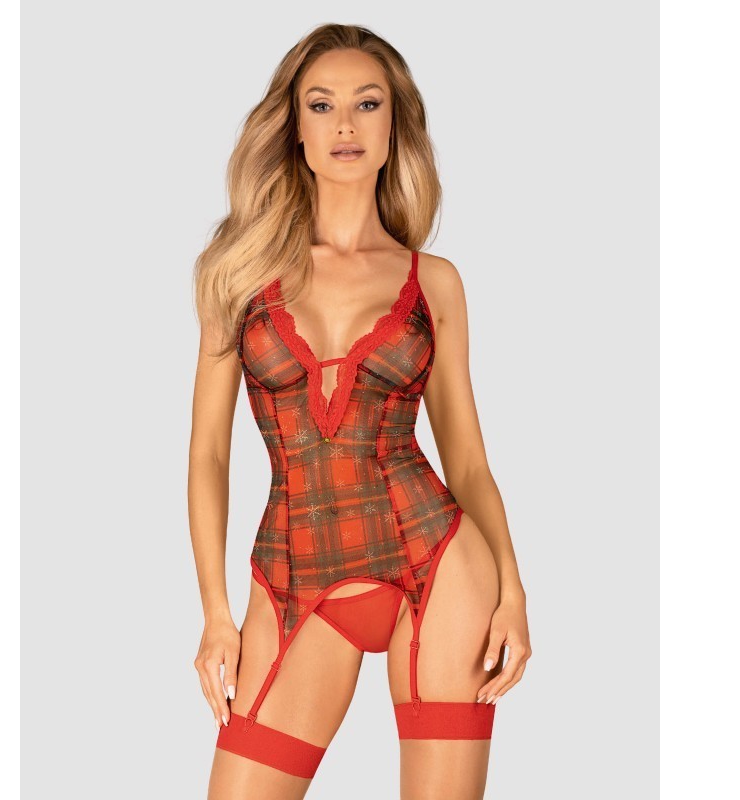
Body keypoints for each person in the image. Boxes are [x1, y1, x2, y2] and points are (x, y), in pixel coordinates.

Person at [188, 23, 531, 799]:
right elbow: (208, 453)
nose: (345, 124)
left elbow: (467, 458)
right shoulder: (234, 276)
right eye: (322, 104)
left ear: (393, 125)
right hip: (294, 576)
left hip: (436, 562)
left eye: (367, 104)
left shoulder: (433, 282)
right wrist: (215, 613)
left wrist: (513, 589)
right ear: (295, 127)